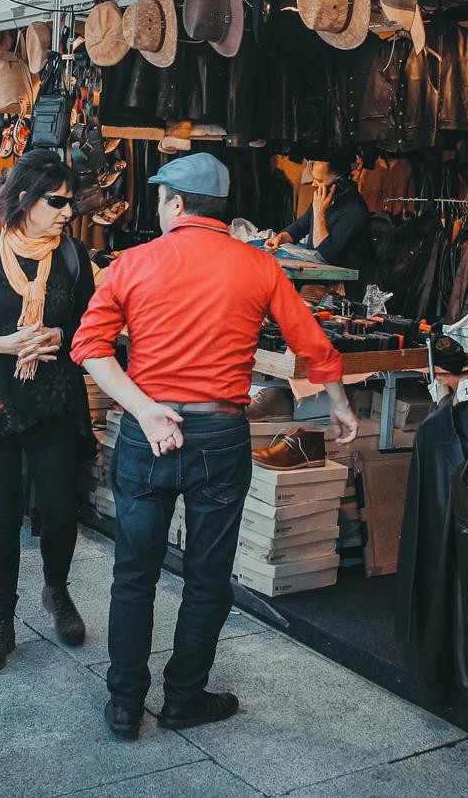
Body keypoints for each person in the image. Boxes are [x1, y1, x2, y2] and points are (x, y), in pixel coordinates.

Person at [73, 152, 359, 740]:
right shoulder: (260, 266)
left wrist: (146, 409)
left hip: (147, 433)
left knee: (134, 573)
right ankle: (183, 697)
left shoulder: (132, 263)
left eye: (160, 197)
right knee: (207, 576)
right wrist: (338, 402)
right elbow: (313, 343)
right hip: (219, 436)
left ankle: (126, 702)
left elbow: (90, 348)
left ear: (175, 203)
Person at [0, 151, 97, 673]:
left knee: (57, 508)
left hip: (54, 402)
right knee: (2, 517)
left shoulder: (74, 257)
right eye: (58, 201)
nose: (67, 211)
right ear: (26, 198)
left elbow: (92, 330)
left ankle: (56, 590)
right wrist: (0, 344)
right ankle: (0, 619)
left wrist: (62, 335)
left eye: (71, 202)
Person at [264, 149, 374, 289]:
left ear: (338, 183)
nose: (313, 184)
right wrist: (280, 238)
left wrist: (319, 213)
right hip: (319, 280)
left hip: (343, 289)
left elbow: (323, 254)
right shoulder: (325, 199)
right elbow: (300, 226)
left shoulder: (355, 211)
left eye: (319, 180)